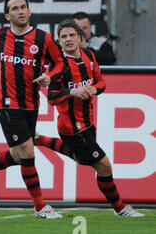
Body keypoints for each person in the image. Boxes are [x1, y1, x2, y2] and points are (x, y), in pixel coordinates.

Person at [0, 0, 66, 219]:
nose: (20, 11)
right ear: (7, 15)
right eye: (15, 8)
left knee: (19, 155)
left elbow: (60, 63)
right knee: (28, 152)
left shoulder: (43, 38)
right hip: (7, 103)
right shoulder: (1, 35)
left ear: (29, 11)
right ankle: (40, 207)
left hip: (31, 103)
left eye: (23, 7)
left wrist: (50, 76)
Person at [34, 19, 144, 217]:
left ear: (80, 38)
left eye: (71, 35)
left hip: (87, 122)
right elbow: (51, 97)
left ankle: (40, 139)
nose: (68, 40)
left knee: (80, 157)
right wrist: (72, 92)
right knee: (103, 164)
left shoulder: (90, 56)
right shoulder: (57, 66)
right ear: (59, 42)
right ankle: (120, 208)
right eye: (63, 37)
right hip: (71, 127)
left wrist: (94, 88)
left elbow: (101, 83)